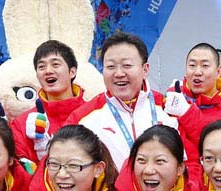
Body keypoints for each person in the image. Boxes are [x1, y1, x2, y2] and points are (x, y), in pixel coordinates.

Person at [64, 32, 177, 169]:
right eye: (111, 67)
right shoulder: (82, 117)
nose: (119, 74)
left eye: (127, 65)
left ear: (145, 69)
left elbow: (190, 163)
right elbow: (63, 163)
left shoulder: (168, 108)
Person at [162, 43, 221, 178]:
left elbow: (217, 147)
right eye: (192, 65)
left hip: (208, 183)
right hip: (169, 181)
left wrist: (186, 112)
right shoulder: (173, 97)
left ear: (219, 72)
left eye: (205, 66)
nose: (197, 72)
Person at [10, 40, 88, 162]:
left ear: (72, 72)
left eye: (55, 64)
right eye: (41, 67)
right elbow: (21, 172)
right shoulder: (22, 124)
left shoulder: (93, 114)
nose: (48, 71)